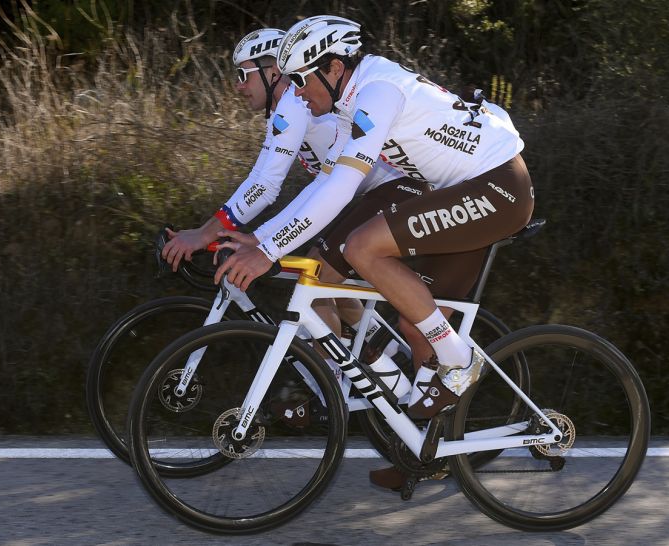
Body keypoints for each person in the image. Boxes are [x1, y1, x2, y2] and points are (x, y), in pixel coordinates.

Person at [213, 15, 535, 490]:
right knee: (413, 318)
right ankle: (425, 453)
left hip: (498, 188)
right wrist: (264, 242)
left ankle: (461, 361)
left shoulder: (378, 91)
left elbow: (344, 186)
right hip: (462, 190)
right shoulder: (351, 99)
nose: (296, 93)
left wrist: (268, 252)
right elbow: (325, 181)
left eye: (301, 80)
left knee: (362, 247)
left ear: (335, 67)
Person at [161, 27, 409, 389]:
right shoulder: (288, 105)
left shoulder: (294, 102)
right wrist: (253, 237)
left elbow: (265, 186)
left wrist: (208, 232)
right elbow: (269, 178)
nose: (238, 85)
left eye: (243, 74)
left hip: (382, 191)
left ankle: (356, 388)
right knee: (322, 281)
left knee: (318, 282)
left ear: (273, 72)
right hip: (355, 195)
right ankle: (380, 357)